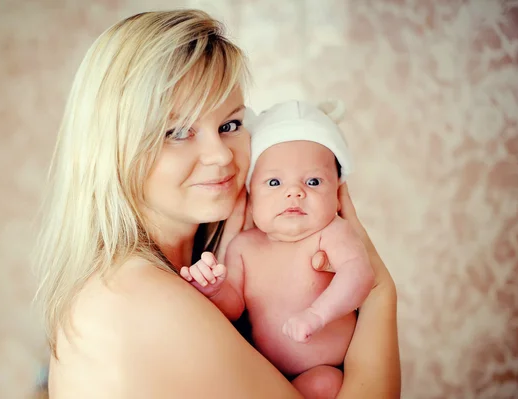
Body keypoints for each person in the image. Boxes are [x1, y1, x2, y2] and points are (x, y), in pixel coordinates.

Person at [33, 9, 401, 398]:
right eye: (177, 132)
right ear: (113, 149)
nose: (221, 156)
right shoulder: (138, 297)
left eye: (230, 125)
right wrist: (378, 292)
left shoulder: (193, 271)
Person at [180, 100, 374, 398]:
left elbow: (359, 274)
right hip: (264, 371)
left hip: (324, 368)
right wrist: (215, 288)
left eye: (313, 181)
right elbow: (234, 306)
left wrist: (317, 315)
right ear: (250, 196)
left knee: (324, 385)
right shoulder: (244, 247)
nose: (294, 192)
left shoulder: (330, 234)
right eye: (274, 182)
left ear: (337, 194)